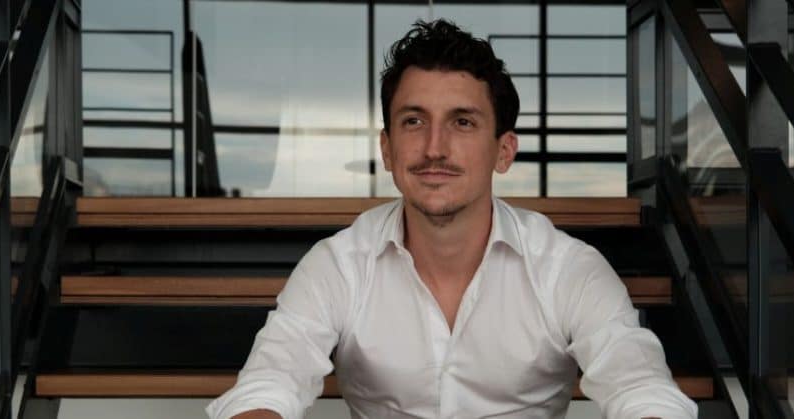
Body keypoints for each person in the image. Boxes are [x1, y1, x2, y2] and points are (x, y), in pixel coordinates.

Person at [206, 19, 697, 419]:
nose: (434, 148)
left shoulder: (567, 268)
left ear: (504, 151)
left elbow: (639, 386)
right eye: (414, 121)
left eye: (462, 122)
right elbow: (271, 381)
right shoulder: (339, 264)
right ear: (387, 148)